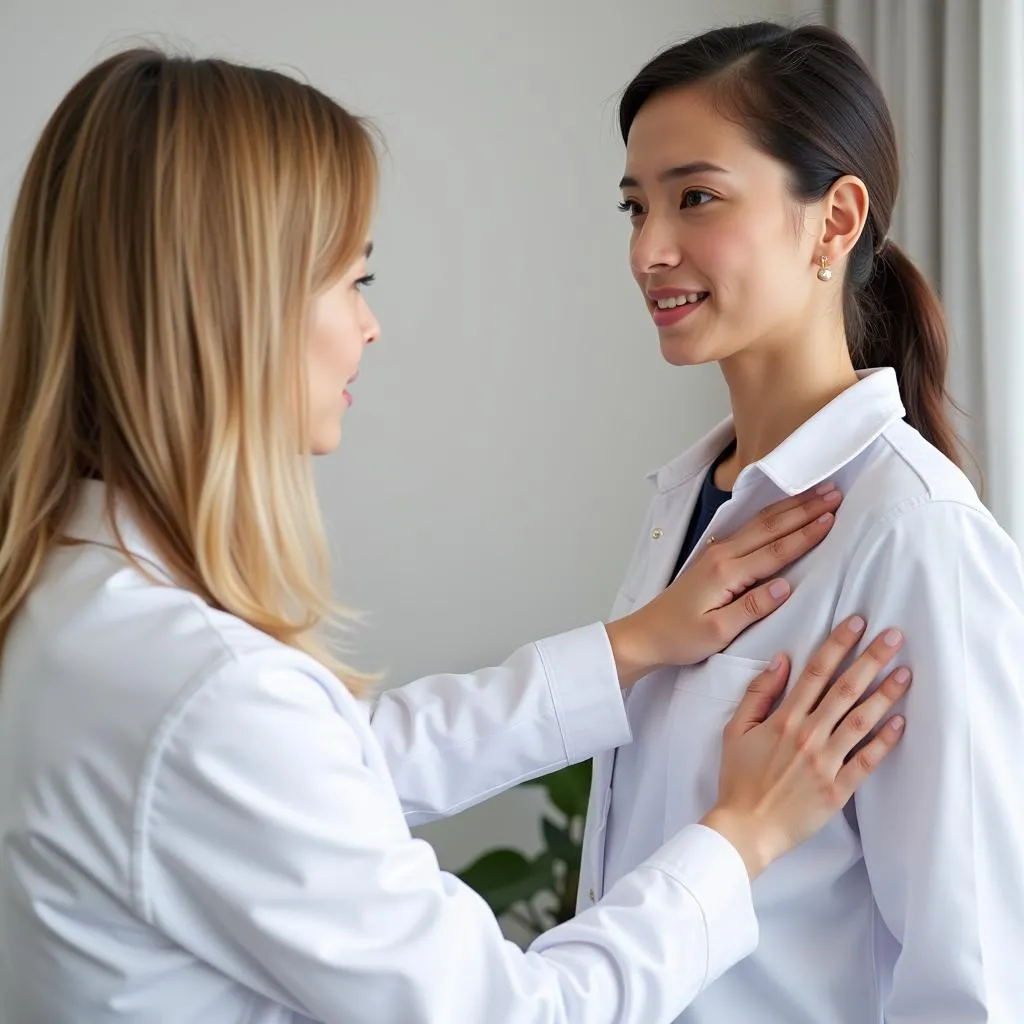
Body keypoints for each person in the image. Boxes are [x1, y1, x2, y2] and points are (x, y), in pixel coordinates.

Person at [0, 50, 908, 1024]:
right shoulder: (199, 690)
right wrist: (741, 835)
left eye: (695, 197)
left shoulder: (68, 611)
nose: (371, 325)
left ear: (836, 221)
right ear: (234, 305)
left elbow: (337, 765)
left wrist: (630, 647)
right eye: (354, 279)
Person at [579, 19, 1024, 1023]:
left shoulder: (913, 532)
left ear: (833, 222)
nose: (649, 249)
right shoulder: (683, 505)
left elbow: (976, 971)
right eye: (633, 206)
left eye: (695, 197)